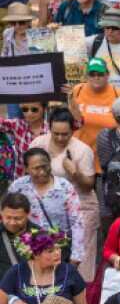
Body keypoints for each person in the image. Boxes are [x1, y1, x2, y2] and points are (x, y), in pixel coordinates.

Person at [30, 108, 98, 282]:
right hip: (48, 211)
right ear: (49, 129)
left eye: (65, 134)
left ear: (73, 131)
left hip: (81, 210)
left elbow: (89, 185)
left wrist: (75, 172)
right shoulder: (38, 143)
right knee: (47, 260)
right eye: (56, 134)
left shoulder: (82, 150)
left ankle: (81, 303)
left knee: (80, 262)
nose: (60, 138)